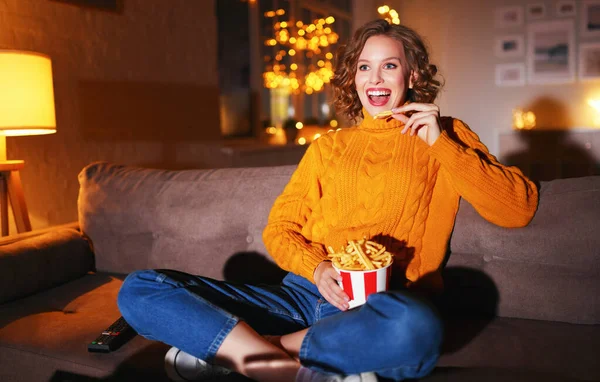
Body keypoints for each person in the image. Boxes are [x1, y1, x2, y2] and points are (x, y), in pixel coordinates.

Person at [117, 19, 539, 382]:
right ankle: (285, 369)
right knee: (141, 289)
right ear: (353, 78)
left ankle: (244, 354)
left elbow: (516, 209)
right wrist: (317, 269)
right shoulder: (328, 148)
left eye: (389, 66)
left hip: (378, 306)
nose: (375, 79)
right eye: (364, 68)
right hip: (301, 296)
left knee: (417, 327)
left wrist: (441, 143)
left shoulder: (446, 134)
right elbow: (279, 229)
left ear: (411, 76)